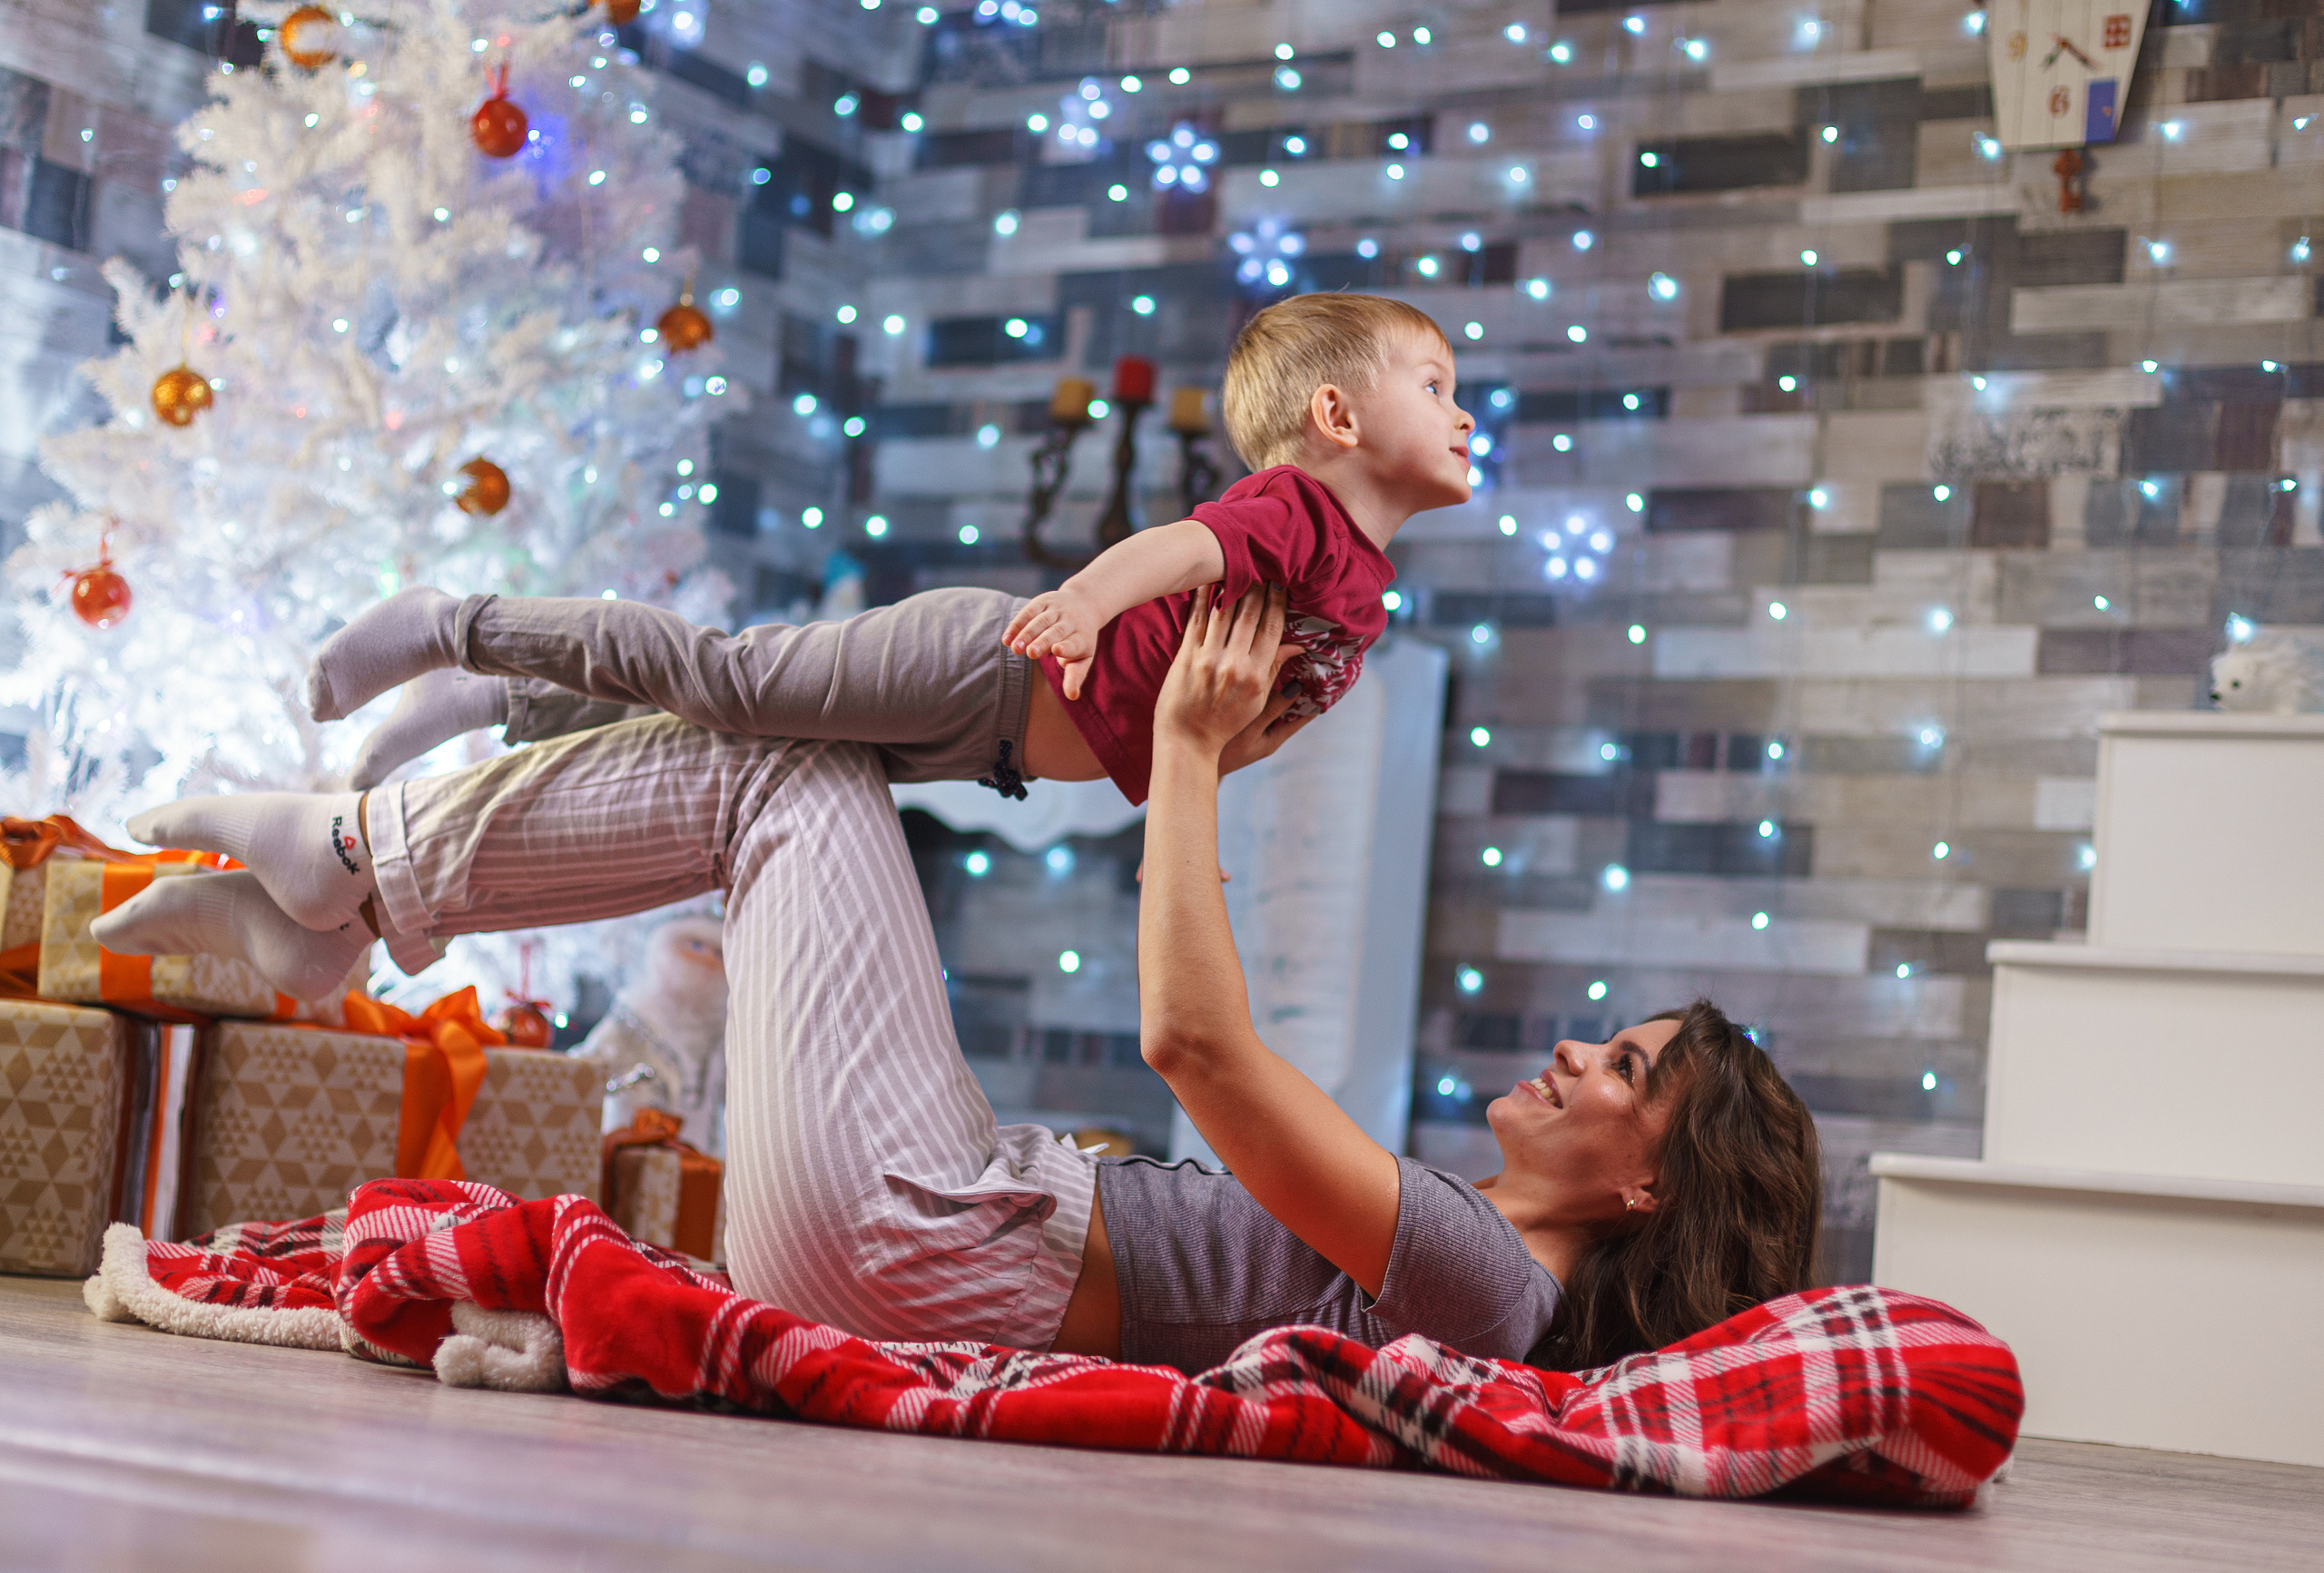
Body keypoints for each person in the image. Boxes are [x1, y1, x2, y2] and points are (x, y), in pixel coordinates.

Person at [94, 584, 1823, 1373]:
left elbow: (1195, 1045)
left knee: (802, 763)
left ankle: (357, 866)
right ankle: (353, 875)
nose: (1575, 1047)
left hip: (923, 1237)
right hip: (931, 1231)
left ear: (1653, 1172)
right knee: (793, 763)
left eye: (1624, 1064)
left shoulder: (1482, 1278)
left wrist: (1196, 751)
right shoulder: (1488, 1302)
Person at [291, 291, 1469, 818]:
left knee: (713, 735)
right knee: (729, 678)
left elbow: (1226, 733)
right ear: (1338, 418)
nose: (1462, 415)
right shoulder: (1300, 516)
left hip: (993, 748)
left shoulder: (1365, 594)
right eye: (1436, 386)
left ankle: (492, 699)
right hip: (992, 672)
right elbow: (1182, 544)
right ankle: (453, 621)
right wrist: (1079, 599)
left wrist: (1191, 825)